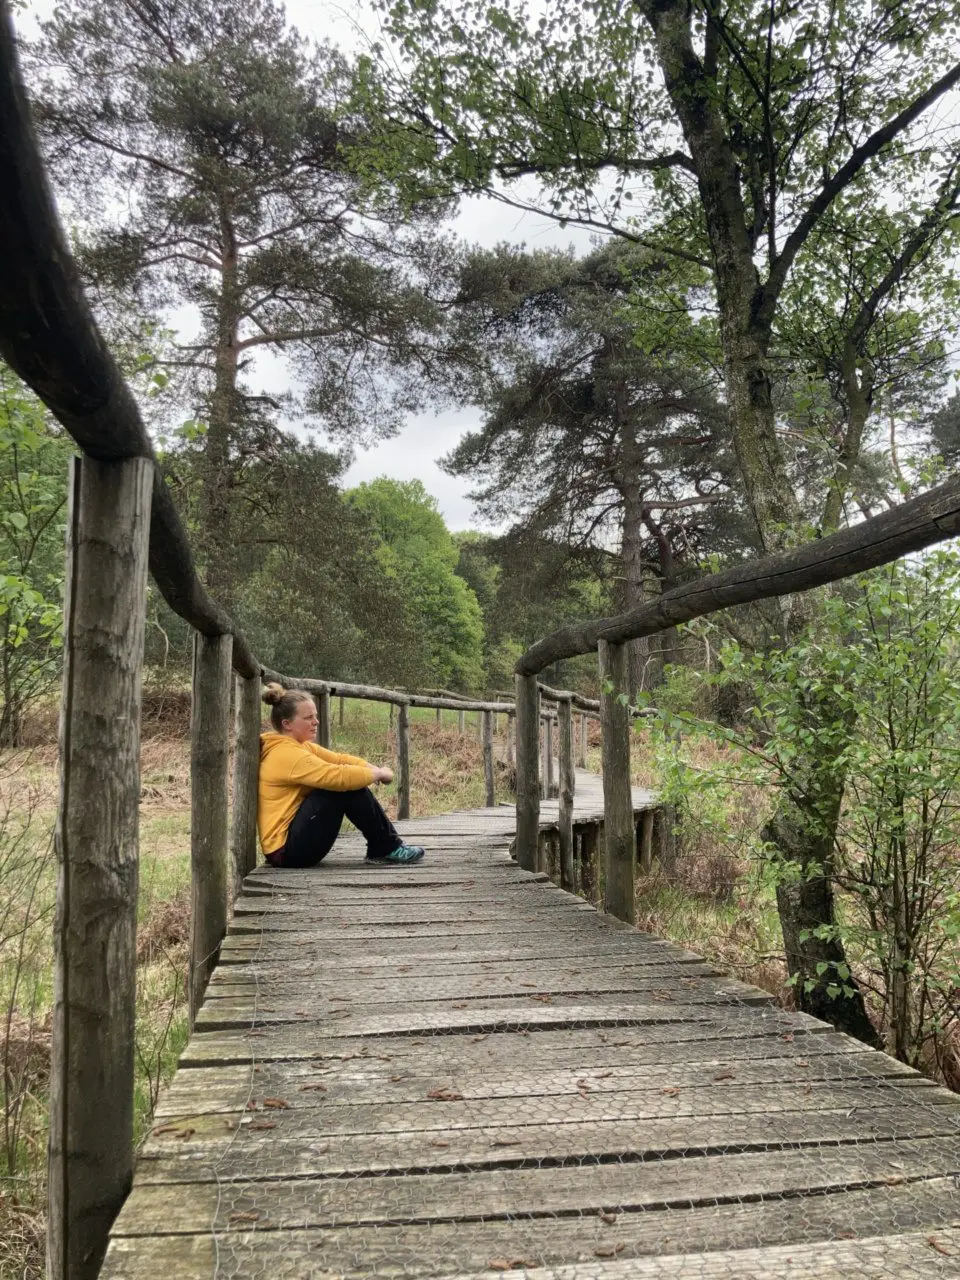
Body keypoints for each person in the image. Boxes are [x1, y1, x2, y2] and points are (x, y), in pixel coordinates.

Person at [257, 683, 425, 867]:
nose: (316, 722)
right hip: (287, 852)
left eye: (315, 716)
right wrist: (377, 774)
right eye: (308, 718)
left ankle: (385, 847)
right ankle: (385, 848)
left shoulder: (297, 745)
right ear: (287, 724)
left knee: (346, 781)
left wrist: (374, 769)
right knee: (341, 786)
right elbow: (337, 776)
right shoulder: (286, 754)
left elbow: (338, 760)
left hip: (291, 845)